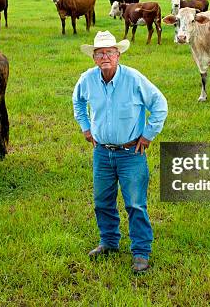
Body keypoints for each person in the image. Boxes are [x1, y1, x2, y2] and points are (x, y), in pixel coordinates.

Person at [72, 30, 168, 274]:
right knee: (102, 201)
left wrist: (147, 136)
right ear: (94, 58)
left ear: (118, 56)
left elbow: (159, 105)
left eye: (110, 52)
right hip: (102, 152)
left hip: (131, 153)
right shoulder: (87, 79)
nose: (105, 57)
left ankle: (140, 252)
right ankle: (109, 242)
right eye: (100, 53)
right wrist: (85, 127)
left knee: (135, 203)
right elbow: (78, 102)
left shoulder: (134, 79)